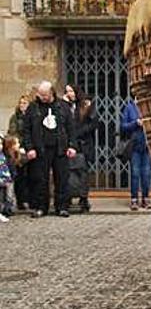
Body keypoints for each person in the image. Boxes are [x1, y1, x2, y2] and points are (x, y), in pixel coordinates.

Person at [20, 81, 77, 218]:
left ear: (51, 93)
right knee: (40, 179)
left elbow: (71, 128)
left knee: (62, 179)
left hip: (60, 148)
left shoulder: (63, 107)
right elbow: (26, 130)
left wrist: (72, 145)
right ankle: (41, 207)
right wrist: (29, 148)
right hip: (40, 149)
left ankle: (62, 207)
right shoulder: (33, 108)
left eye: (44, 94)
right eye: (40, 94)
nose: (41, 97)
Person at [121, 99, 151, 210]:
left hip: (147, 145)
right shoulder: (129, 107)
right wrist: (136, 123)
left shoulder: (148, 106)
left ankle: (146, 198)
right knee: (135, 173)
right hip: (134, 146)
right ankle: (134, 199)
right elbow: (123, 126)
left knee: (147, 173)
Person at [70, 88, 97, 212]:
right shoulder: (72, 108)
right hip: (73, 145)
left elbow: (92, 125)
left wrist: (77, 133)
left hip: (85, 146)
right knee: (71, 171)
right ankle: (71, 195)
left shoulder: (89, 109)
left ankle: (83, 198)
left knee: (83, 173)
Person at [8, 94, 31, 210]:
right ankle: (21, 200)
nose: (22, 105)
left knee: (31, 175)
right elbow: (13, 132)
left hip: (30, 148)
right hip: (19, 149)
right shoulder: (15, 117)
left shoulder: (32, 116)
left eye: (25, 103)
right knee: (20, 176)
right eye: (21, 103)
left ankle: (31, 199)